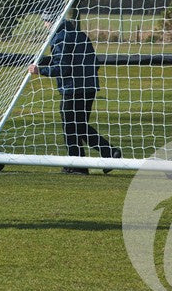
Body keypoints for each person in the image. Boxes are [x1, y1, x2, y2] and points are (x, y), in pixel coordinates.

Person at [28, 12, 121, 175]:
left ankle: (78, 164)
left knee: (70, 127)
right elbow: (89, 61)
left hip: (73, 89)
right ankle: (104, 155)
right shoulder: (79, 34)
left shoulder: (60, 38)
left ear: (51, 22)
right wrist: (44, 60)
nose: (45, 25)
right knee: (80, 125)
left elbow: (62, 68)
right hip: (90, 87)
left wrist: (39, 70)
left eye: (45, 22)